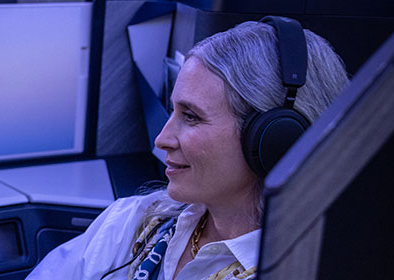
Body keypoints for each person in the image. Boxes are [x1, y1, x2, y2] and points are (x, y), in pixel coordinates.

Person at [27, 18, 348, 280]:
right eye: (173, 112)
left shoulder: (298, 270)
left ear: (276, 141)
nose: (161, 139)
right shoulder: (129, 224)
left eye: (191, 117)